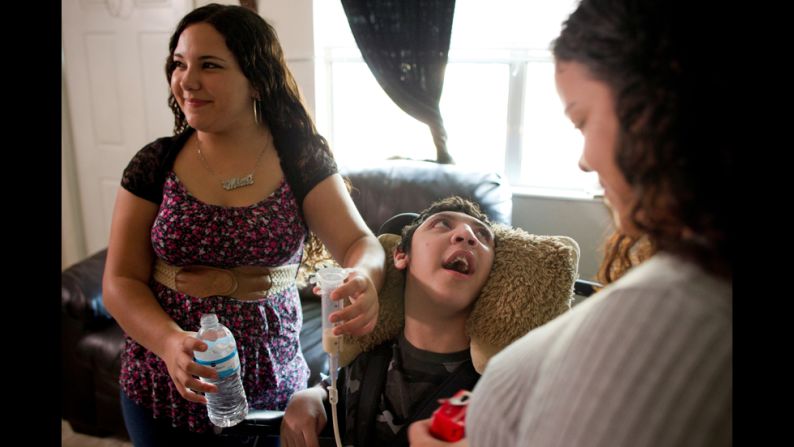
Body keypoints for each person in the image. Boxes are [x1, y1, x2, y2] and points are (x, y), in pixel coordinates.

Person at [408, 0, 732, 445]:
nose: (583, 161)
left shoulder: (674, 309)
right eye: (441, 225)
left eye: (581, 120)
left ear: (653, 109)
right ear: (400, 255)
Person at [101, 4, 385, 446]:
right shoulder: (154, 164)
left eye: (209, 65)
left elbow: (359, 243)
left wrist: (364, 275)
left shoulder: (300, 158)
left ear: (256, 78)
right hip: (161, 388)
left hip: (271, 393)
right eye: (179, 64)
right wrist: (170, 343)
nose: (187, 81)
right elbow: (119, 280)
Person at [280, 197, 496, 447]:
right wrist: (310, 396)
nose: (468, 235)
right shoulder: (368, 360)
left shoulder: (498, 389)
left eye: (483, 235)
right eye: (443, 224)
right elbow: (334, 390)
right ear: (401, 255)